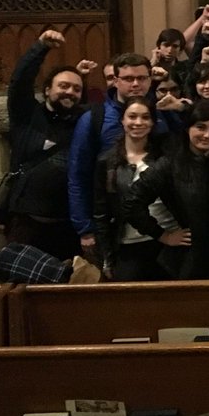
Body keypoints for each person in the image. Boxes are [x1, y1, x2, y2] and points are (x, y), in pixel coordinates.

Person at [121, 100, 209, 279]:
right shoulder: (170, 164)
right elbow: (131, 203)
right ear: (187, 128)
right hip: (197, 258)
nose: (207, 135)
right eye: (200, 127)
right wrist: (163, 236)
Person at [2, 30, 91, 260]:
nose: (70, 92)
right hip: (26, 223)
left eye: (76, 88)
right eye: (63, 86)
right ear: (48, 89)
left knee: (66, 292)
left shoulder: (84, 121)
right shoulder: (28, 116)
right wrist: (40, 47)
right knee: (21, 288)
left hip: (68, 227)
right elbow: (19, 82)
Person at [91, 99, 170, 280]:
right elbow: (101, 212)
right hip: (127, 243)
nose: (138, 122)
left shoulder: (165, 156)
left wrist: (166, 236)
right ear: (122, 120)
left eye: (145, 117)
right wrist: (107, 257)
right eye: (132, 116)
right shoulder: (107, 161)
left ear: (152, 122)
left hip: (165, 241)